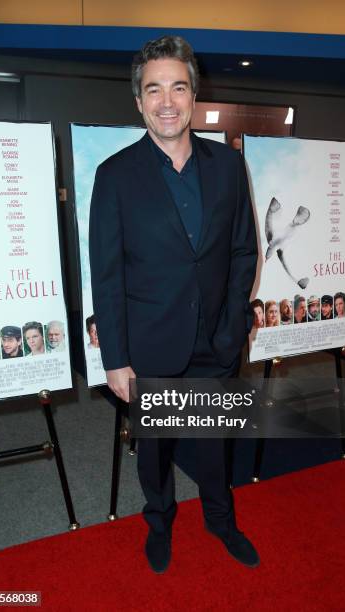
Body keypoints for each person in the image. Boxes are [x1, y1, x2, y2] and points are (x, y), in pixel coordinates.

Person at [89, 35, 259, 573]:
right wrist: (115, 358)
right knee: (156, 451)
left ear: (193, 95)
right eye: (154, 89)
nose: (167, 101)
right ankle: (159, 523)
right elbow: (107, 274)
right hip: (149, 347)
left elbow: (242, 249)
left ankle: (220, 520)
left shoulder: (228, 166)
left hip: (216, 342)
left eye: (178, 87)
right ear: (139, 101)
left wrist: (233, 328)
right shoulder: (114, 176)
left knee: (214, 444)